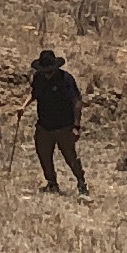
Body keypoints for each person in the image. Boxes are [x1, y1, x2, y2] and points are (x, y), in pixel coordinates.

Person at [29, 46, 87, 192]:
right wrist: (23, 106)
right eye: (44, 71)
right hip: (44, 125)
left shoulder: (65, 79)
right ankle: (52, 183)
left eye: (49, 71)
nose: (47, 74)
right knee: (43, 154)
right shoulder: (38, 78)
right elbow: (34, 93)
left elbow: (77, 102)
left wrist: (76, 126)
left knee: (70, 156)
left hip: (64, 126)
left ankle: (81, 182)